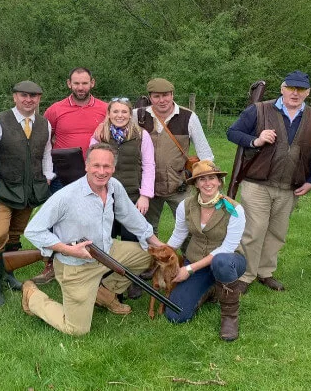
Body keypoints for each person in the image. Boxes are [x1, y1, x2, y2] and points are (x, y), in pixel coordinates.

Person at [21, 144, 165, 336]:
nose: (101, 171)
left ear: (113, 168)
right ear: (86, 166)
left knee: (148, 255)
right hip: (76, 265)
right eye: (96, 165)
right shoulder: (66, 196)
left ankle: (105, 294)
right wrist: (67, 249)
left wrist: (158, 245)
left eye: (107, 166)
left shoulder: (114, 186)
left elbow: (132, 217)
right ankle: (32, 297)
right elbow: (33, 230)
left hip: (107, 252)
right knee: (77, 329)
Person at [226, 70, 311, 293]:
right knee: (254, 230)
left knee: (277, 232)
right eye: (290, 88)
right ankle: (246, 274)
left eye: (300, 89)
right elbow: (232, 132)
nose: (295, 93)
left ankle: (265, 272)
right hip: (257, 183)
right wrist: (255, 140)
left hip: (290, 186)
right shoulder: (259, 109)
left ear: (307, 92)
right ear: (282, 89)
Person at [31, 67, 108, 285]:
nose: (80, 87)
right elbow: (45, 140)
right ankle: (51, 265)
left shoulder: (105, 108)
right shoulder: (55, 110)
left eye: (84, 83)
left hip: (96, 175)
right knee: (56, 221)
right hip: (62, 176)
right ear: (69, 84)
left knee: (93, 219)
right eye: (76, 83)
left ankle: (94, 263)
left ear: (92, 83)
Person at [0, 80, 53, 305]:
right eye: (24, 95)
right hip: (1, 190)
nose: (28, 100)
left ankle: (8, 274)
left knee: (14, 235)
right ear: (15, 97)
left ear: (39, 99)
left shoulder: (45, 124)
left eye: (33, 96)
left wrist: (48, 177)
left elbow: (47, 152)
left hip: (30, 191)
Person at [164, 160, 246, 342]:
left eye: (212, 178)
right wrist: (161, 255)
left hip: (229, 262)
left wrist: (189, 270)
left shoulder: (235, 209)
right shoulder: (185, 206)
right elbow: (178, 237)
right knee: (176, 316)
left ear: (219, 182)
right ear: (195, 184)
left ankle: (229, 317)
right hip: (195, 261)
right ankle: (211, 288)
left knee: (221, 261)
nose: (207, 183)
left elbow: (227, 248)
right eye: (202, 180)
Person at [136, 78, 214, 237]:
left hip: (178, 185)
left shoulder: (188, 117)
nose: (162, 100)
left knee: (190, 229)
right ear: (150, 97)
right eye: (156, 96)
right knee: (146, 231)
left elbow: (205, 154)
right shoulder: (137, 115)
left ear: (172, 94)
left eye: (166, 95)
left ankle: (190, 261)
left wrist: (207, 182)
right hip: (147, 186)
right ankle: (151, 261)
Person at [89, 97, 155, 240]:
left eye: (124, 111)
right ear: (109, 114)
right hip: (104, 196)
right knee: (104, 240)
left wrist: (145, 196)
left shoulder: (142, 135)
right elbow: (91, 166)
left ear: (130, 114)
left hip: (132, 197)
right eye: (116, 111)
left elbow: (149, 166)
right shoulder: (99, 135)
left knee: (132, 241)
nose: (120, 115)